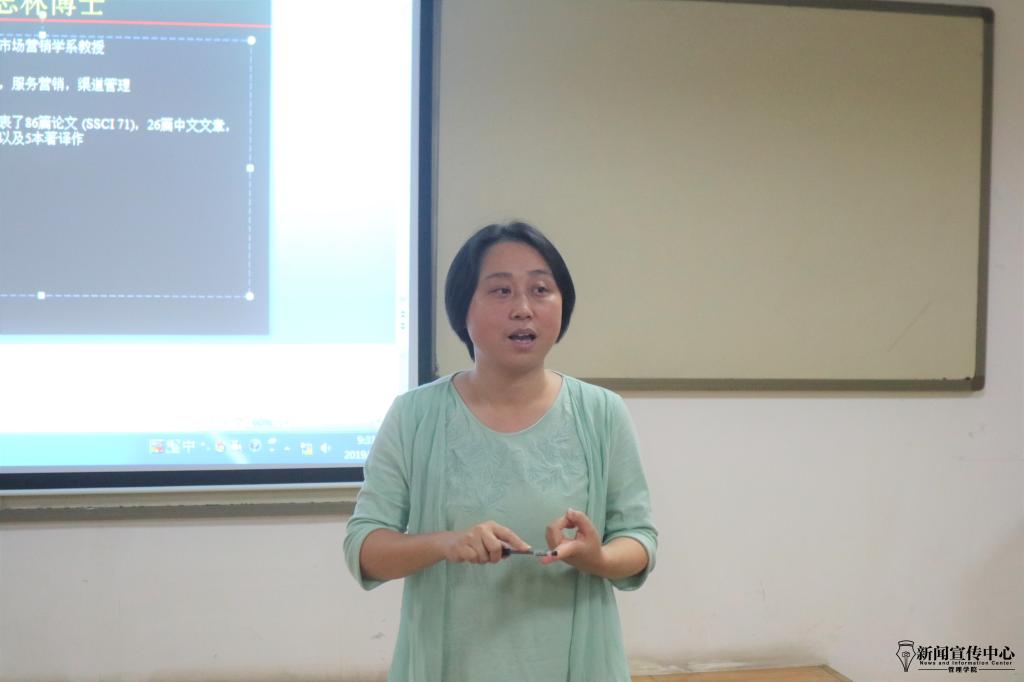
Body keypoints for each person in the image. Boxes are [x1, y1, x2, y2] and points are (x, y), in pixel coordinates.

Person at [343, 221, 657, 682]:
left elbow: (639, 538)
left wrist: (599, 558)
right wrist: (446, 542)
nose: (523, 309)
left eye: (541, 290)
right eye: (501, 291)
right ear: (462, 308)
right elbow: (365, 548)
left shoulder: (602, 412)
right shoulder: (415, 415)